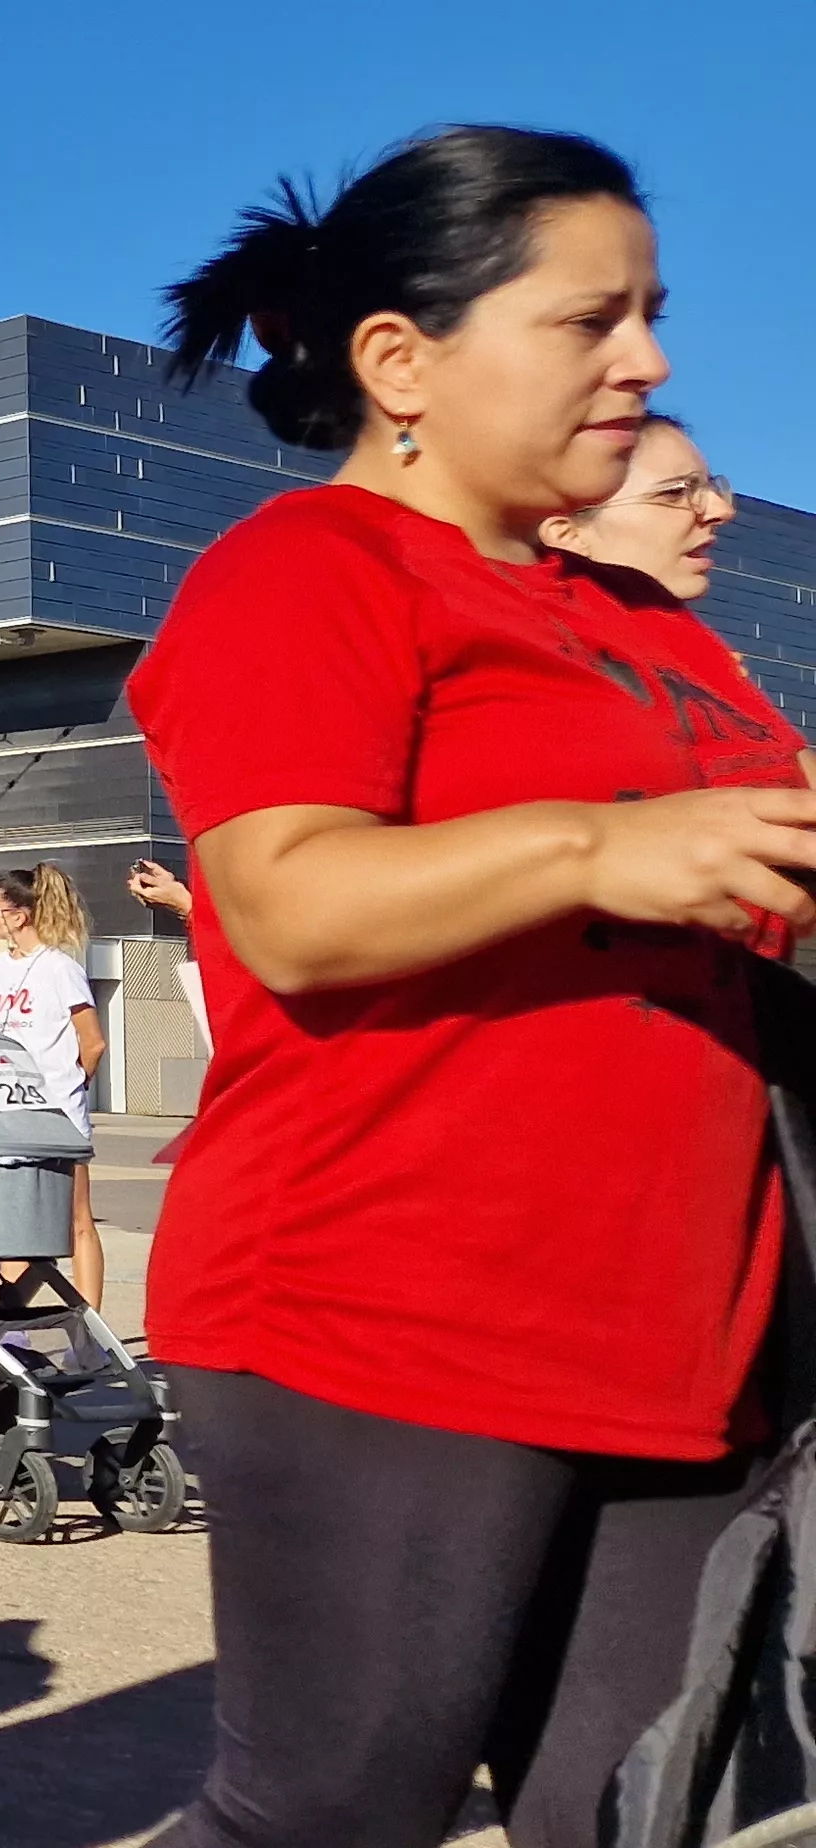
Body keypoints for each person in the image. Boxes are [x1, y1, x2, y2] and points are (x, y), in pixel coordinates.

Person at [132, 127, 816, 1848]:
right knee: (334, 1811)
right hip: (389, 1307)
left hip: (681, 1325)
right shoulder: (310, 571)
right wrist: (596, 847)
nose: (649, 361)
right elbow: (288, 905)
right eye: (592, 320)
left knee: (634, 1817)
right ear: (398, 361)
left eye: (653, 314)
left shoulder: (653, 624)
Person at [0, 865, 106, 1311]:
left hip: (59, 1115)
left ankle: (94, 1330)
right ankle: (11, 1324)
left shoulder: (59, 967)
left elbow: (93, 1042)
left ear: (19, 915)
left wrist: (69, 1085)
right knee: (17, 1227)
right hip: (12, 1113)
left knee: (76, 1221)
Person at [546, 411, 737, 602]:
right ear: (567, 535)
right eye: (675, 493)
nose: (722, 511)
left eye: (710, 486)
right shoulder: (527, 630)